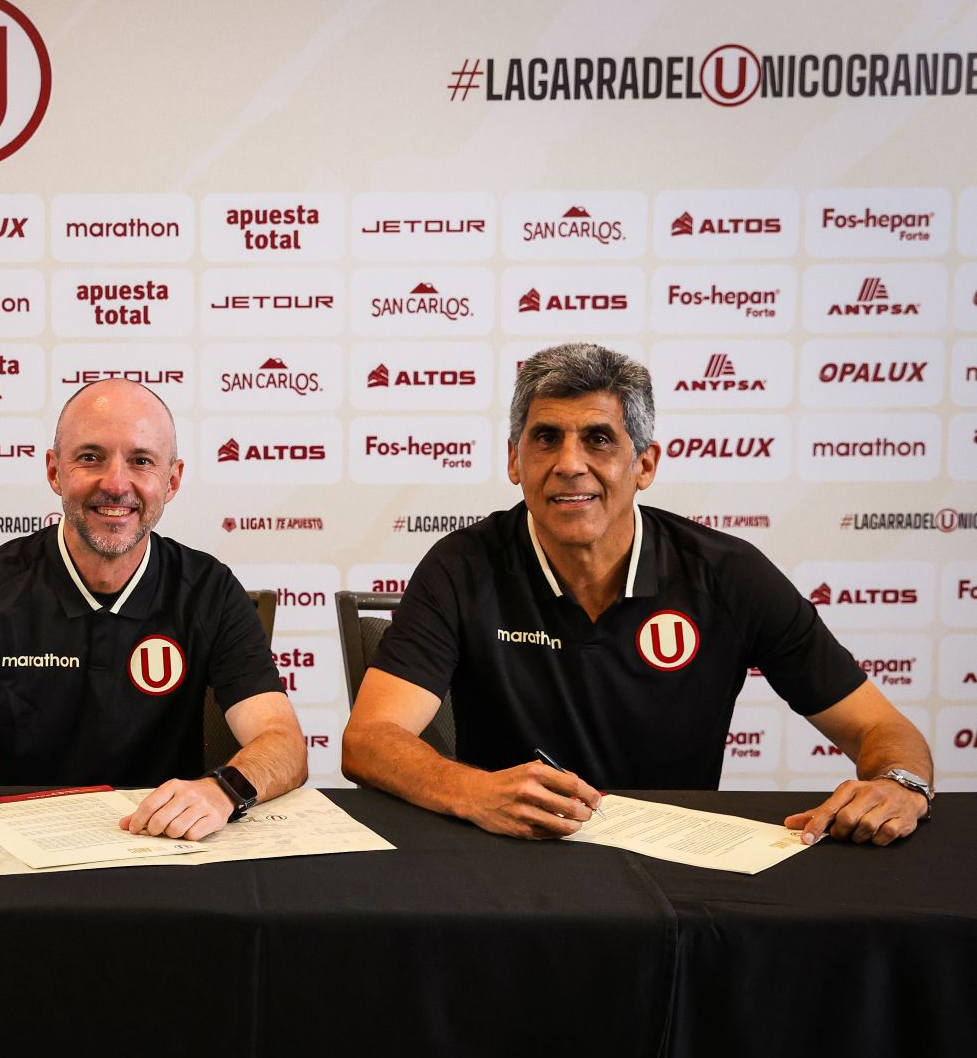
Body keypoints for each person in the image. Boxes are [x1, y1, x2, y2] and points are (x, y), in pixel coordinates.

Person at [342, 343, 933, 847]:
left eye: (598, 439)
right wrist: (474, 791)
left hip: (678, 869)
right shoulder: (461, 565)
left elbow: (880, 728)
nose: (569, 464)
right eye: (546, 438)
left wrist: (900, 784)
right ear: (515, 461)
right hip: (509, 858)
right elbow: (369, 740)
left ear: (644, 464)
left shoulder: (727, 574)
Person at [0, 379, 305, 840]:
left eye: (141, 461)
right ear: (55, 472)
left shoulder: (210, 589)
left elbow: (284, 743)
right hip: (20, 847)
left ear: (171, 481)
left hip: (164, 843)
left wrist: (224, 790)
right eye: (90, 457)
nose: (116, 484)